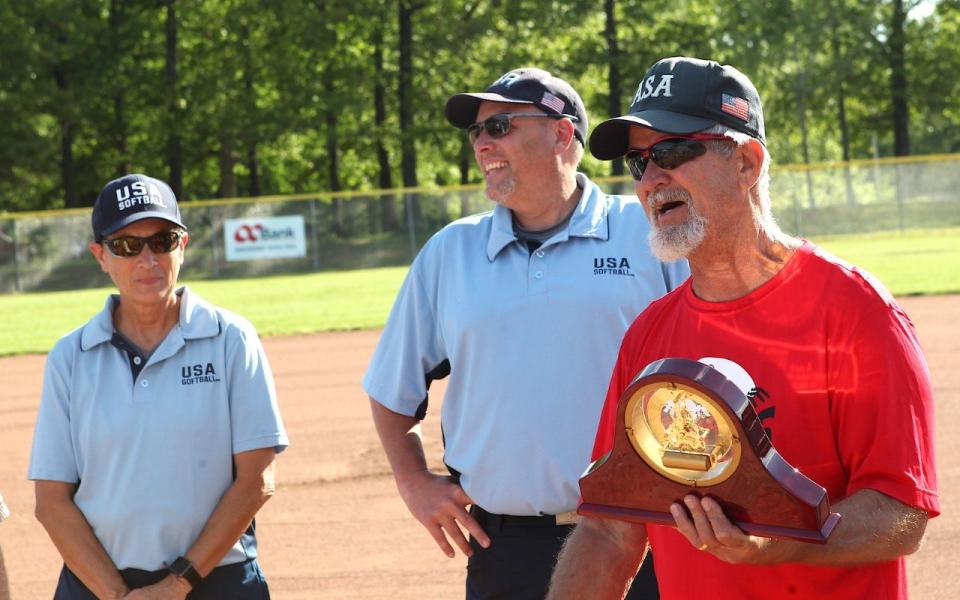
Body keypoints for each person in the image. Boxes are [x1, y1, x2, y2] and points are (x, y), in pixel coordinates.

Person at [547, 57, 939, 599]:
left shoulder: (855, 313)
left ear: (747, 162)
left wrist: (779, 544)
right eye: (639, 163)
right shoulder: (649, 335)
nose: (652, 179)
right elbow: (611, 530)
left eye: (673, 151)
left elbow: (901, 511)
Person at [363, 67, 688, 599]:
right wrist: (413, 483)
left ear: (563, 134)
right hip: (506, 548)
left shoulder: (647, 232)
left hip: (644, 539)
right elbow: (391, 389)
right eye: (477, 132)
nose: (483, 142)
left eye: (502, 125)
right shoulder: (451, 252)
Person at [28, 174, 289, 599]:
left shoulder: (230, 338)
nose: (148, 259)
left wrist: (176, 585)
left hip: (214, 580)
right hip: (95, 584)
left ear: (182, 246)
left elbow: (257, 479)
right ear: (101, 256)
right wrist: (118, 594)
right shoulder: (70, 355)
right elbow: (51, 501)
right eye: (127, 246)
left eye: (162, 241)